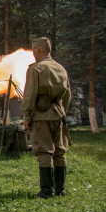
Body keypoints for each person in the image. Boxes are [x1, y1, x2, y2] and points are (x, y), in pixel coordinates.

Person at [21, 37, 71, 199]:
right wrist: (62, 111)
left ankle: (46, 191)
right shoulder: (61, 69)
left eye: (34, 50)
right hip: (58, 115)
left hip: (41, 116)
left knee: (44, 152)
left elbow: (29, 96)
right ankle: (60, 190)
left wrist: (27, 116)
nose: (33, 53)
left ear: (39, 50)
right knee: (59, 152)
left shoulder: (36, 69)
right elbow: (67, 95)